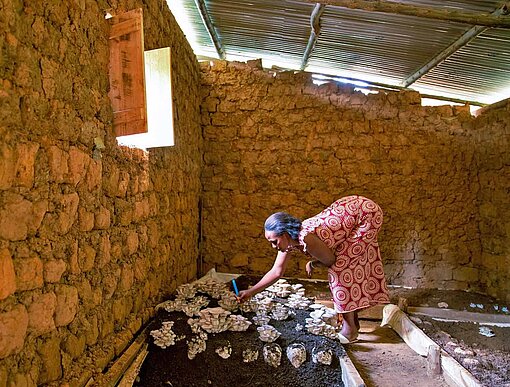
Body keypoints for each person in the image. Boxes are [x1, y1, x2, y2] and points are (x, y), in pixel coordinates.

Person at [237, 195, 390, 344]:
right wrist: (251, 292)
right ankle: (353, 323)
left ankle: (350, 330)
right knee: (344, 265)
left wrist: (313, 263)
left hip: (366, 215)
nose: (273, 246)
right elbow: (277, 271)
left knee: (340, 270)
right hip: (352, 211)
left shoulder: (307, 239)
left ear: (284, 234)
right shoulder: (288, 241)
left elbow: (331, 261)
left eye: (274, 241)